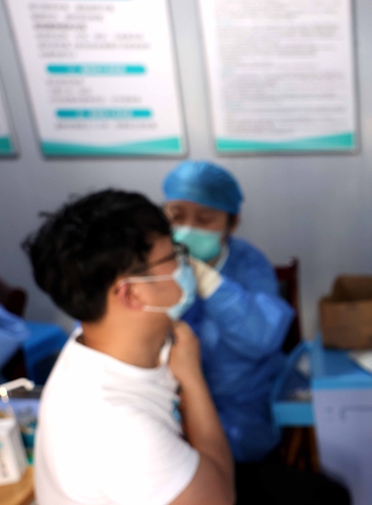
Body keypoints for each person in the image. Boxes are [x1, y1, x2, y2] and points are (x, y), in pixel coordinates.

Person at [23, 190, 234, 504]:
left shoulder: (96, 340)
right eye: (173, 256)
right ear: (133, 294)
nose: (185, 264)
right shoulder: (116, 429)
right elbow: (221, 498)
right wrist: (193, 381)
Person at [161, 160, 295, 464]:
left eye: (205, 219)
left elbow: (262, 336)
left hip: (240, 410)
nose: (187, 229)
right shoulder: (154, 261)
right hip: (167, 404)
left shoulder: (248, 264)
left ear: (232, 224)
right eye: (176, 216)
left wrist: (210, 283)